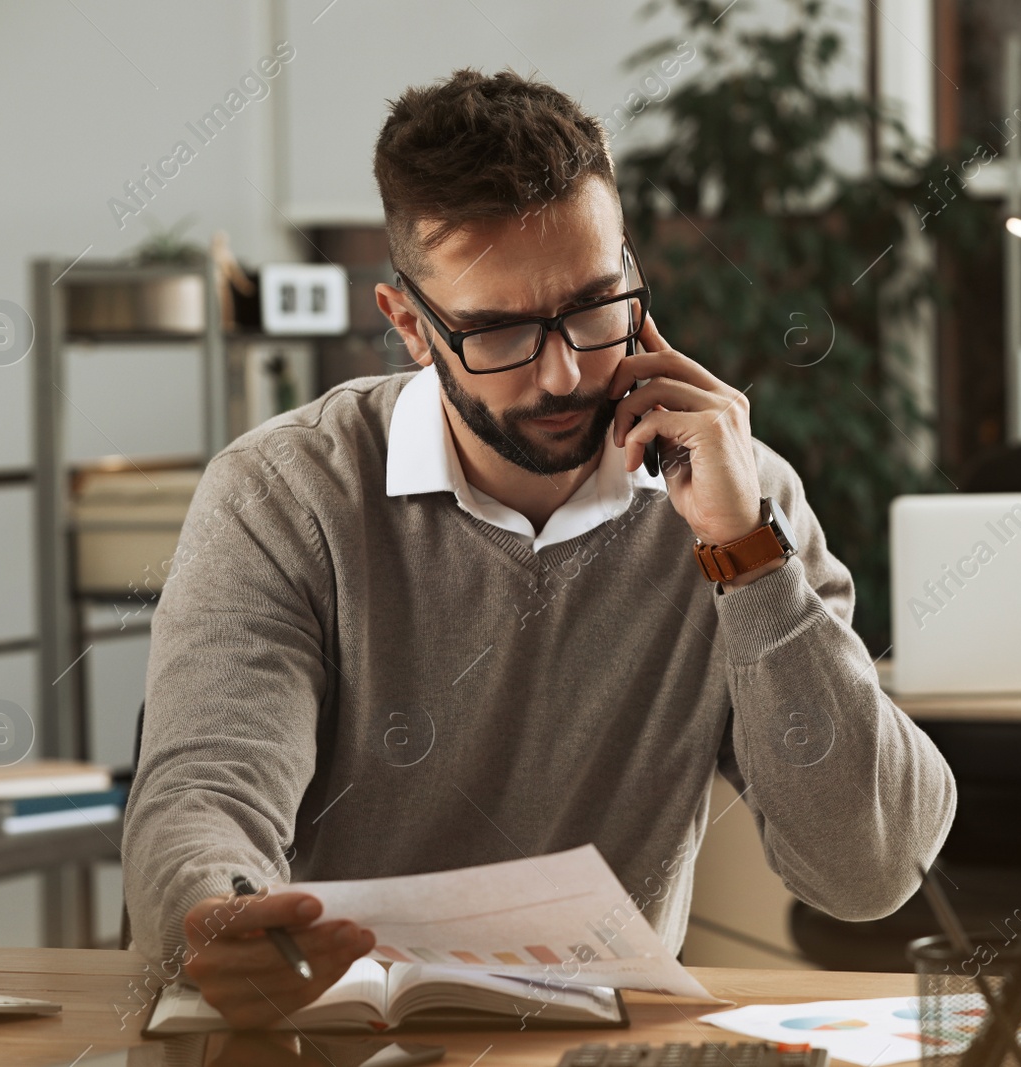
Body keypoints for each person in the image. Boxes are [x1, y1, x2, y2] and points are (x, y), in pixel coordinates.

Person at [123, 67, 957, 1028]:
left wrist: (747, 554)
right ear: (410, 327)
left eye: (595, 307)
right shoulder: (283, 494)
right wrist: (221, 914)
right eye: (500, 331)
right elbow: (204, 787)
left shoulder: (739, 495)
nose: (564, 370)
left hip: (590, 1047)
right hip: (328, 1040)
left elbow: (869, 871)